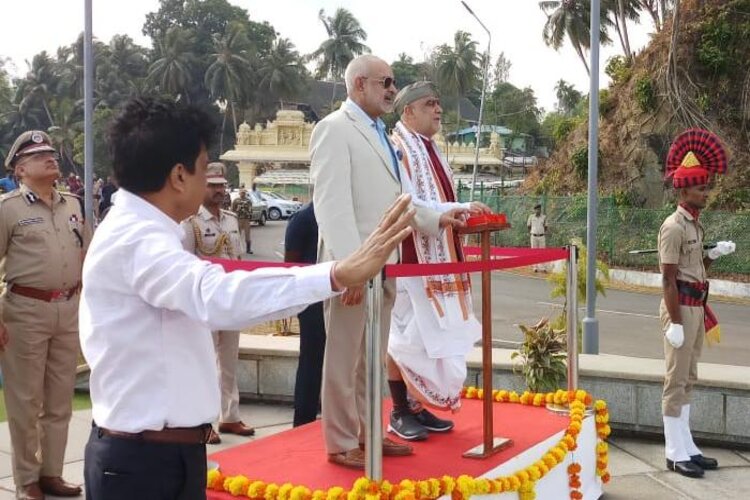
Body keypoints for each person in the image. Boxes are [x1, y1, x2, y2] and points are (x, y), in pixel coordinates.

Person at [79, 96, 415, 499]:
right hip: (144, 464)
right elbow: (217, 294)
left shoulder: (145, 229)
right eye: (205, 170)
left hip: (162, 453)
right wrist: (336, 273)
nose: (210, 184)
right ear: (179, 176)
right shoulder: (137, 239)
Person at [310, 55, 465, 469]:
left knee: (370, 358)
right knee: (344, 358)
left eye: (393, 83)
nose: (393, 90)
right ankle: (342, 441)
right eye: (386, 82)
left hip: (383, 265)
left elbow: (400, 199)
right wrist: (349, 267)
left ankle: (369, 434)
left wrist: (438, 218)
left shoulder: (379, 133)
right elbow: (332, 206)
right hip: (355, 268)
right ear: (359, 84)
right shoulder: (334, 130)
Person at [387, 81, 490, 441]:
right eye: (430, 104)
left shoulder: (430, 149)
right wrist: (450, 212)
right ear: (408, 112)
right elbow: (404, 202)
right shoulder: (397, 149)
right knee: (402, 336)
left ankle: (416, 406)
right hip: (408, 255)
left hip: (437, 256)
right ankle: (399, 411)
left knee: (427, 333)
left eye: (438, 103)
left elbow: (438, 200)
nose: (438, 109)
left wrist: (460, 210)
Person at [0, 130, 90, 500]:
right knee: (25, 400)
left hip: (67, 309)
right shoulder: (8, 209)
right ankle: (26, 480)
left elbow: (87, 254)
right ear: (21, 169)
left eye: (52, 153)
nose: (51, 158)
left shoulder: (73, 204)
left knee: (59, 399)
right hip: (24, 311)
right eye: (39, 156)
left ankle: (52, 472)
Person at [659, 128, 735, 478]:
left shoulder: (695, 226)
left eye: (706, 187)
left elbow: (696, 271)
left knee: (689, 377)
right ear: (685, 189)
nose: (706, 193)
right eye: (702, 188)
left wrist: (714, 256)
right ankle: (674, 452)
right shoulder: (673, 227)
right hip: (680, 311)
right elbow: (668, 279)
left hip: (694, 307)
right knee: (675, 380)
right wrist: (674, 323)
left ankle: (687, 445)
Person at [182, 162, 253, 445]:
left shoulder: (231, 219)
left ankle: (229, 415)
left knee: (229, 362)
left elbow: (238, 260)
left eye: (222, 186)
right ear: (201, 187)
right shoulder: (190, 223)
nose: (219, 191)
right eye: (212, 186)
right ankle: (203, 422)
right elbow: (184, 264)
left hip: (230, 299)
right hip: (204, 301)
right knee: (205, 362)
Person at [284, 202, 326, 427]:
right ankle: (303, 419)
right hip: (311, 303)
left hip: (335, 298)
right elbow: (290, 262)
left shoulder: (334, 216)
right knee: (312, 360)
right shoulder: (304, 218)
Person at [231, 187, 254, 255]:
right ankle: (236, 249)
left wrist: (250, 218)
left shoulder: (248, 201)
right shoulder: (236, 200)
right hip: (238, 219)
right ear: (239, 193)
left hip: (246, 219)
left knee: (247, 234)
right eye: (241, 193)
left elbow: (251, 210)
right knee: (237, 234)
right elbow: (232, 209)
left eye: (244, 193)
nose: (242, 194)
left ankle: (248, 249)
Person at [527, 203, 548, 272]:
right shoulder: (531, 217)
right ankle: (535, 267)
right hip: (533, 236)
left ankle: (543, 267)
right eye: (536, 209)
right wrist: (532, 232)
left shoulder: (544, 217)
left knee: (542, 252)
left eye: (539, 209)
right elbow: (528, 226)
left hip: (541, 236)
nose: (538, 210)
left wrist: (542, 232)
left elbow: (546, 226)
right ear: (534, 210)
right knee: (534, 251)